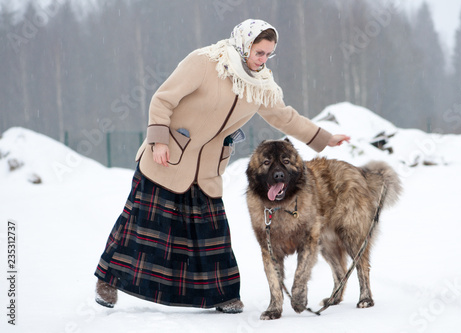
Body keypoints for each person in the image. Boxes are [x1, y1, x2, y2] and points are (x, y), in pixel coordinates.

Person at [94, 19, 350, 314]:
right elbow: (163, 99)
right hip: (168, 157)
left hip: (207, 168)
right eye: (259, 53)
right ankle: (108, 281)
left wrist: (325, 138)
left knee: (212, 233)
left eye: (269, 54)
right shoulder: (205, 63)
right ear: (244, 45)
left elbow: (285, 117)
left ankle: (223, 294)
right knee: (141, 227)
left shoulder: (260, 86)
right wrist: (159, 140)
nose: (263, 60)